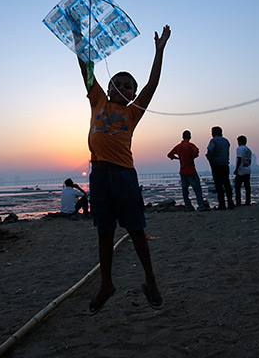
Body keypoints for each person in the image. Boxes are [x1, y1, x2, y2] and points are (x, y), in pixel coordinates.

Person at [77, 24, 169, 314]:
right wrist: (81, 41)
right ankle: (106, 283)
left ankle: (151, 281)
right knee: (104, 233)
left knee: (136, 230)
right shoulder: (98, 100)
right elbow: (86, 68)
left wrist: (159, 50)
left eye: (129, 86)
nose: (124, 88)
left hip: (124, 176)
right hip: (100, 176)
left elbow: (152, 84)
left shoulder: (133, 111)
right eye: (119, 83)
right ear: (109, 87)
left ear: (133, 95)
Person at [167, 130, 209, 211]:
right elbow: (196, 151)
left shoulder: (178, 146)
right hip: (191, 170)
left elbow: (169, 155)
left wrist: (178, 158)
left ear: (182, 137)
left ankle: (188, 207)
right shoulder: (190, 145)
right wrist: (193, 157)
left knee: (185, 191)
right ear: (190, 137)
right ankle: (201, 206)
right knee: (197, 189)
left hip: (182, 171)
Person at [206, 126, 235, 210]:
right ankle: (230, 202)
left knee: (218, 185)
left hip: (217, 165)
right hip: (225, 165)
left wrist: (210, 157)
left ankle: (222, 204)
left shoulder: (213, 140)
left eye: (212, 132)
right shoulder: (226, 141)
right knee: (227, 184)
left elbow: (210, 149)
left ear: (214, 133)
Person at [234, 135, 252, 206]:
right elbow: (249, 160)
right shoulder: (249, 150)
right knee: (247, 186)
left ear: (239, 142)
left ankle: (238, 202)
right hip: (247, 170)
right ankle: (248, 201)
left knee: (237, 187)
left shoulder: (239, 149)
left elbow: (239, 159)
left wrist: (236, 169)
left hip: (241, 171)